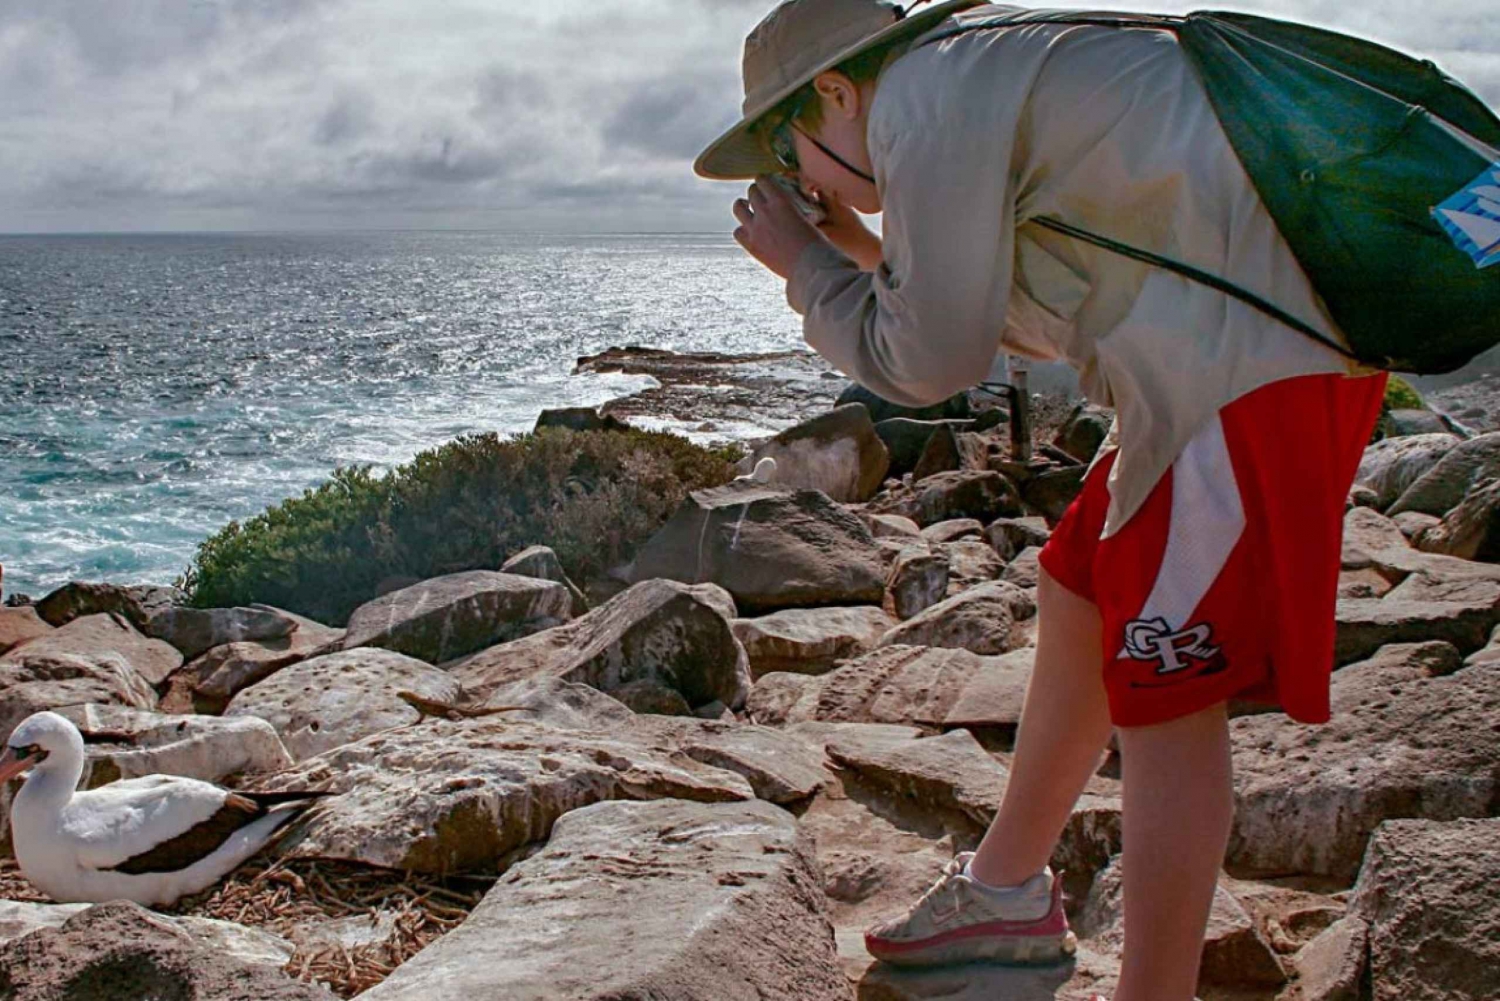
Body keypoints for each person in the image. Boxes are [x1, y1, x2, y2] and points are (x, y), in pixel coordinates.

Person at [694, 2, 1389, 1000]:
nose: (801, 178)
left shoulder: (924, 104)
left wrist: (804, 267)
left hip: (1246, 376)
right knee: (1081, 582)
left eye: (793, 148)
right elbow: (1027, 314)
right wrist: (854, 248)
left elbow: (929, 361)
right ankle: (1006, 890)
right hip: (1226, 363)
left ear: (838, 93)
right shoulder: (977, 73)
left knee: (1165, 689)